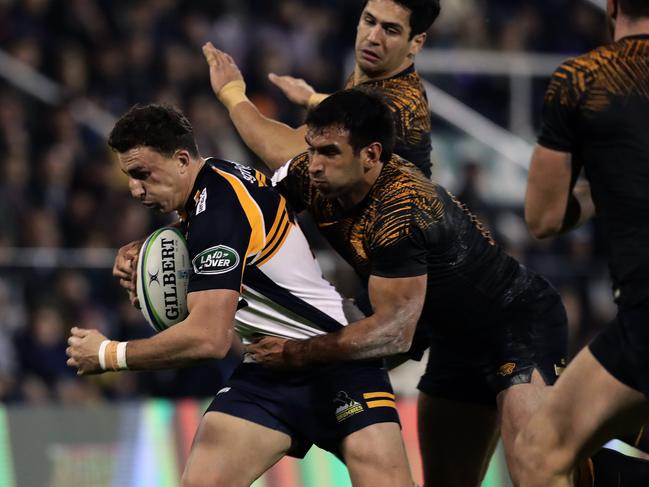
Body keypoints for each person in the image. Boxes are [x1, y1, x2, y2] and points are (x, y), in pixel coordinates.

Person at [66, 104, 414, 487]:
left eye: (142, 174)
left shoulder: (218, 208)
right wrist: (154, 250)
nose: (134, 189)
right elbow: (224, 232)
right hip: (269, 368)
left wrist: (108, 354)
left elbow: (209, 338)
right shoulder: (216, 182)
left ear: (181, 159)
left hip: (337, 361)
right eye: (129, 177)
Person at [241, 88, 569, 487]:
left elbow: (394, 333)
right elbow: (244, 221)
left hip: (517, 325)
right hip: (450, 341)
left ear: (371, 155)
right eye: (311, 150)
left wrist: (298, 352)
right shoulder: (313, 178)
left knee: (536, 472)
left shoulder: (401, 210)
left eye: (329, 152)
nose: (313, 166)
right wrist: (173, 245)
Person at [515, 0, 649, 485]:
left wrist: (598, 192)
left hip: (643, 321)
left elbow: (543, 217)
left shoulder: (583, 79)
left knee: (539, 452)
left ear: (611, 7)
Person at [201, 0, 438, 177]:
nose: (373, 37)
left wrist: (231, 91)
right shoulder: (379, 76)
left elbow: (282, 153)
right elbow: (356, 114)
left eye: (391, 30)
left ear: (416, 43)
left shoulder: (394, 100)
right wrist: (313, 98)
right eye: (369, 21)